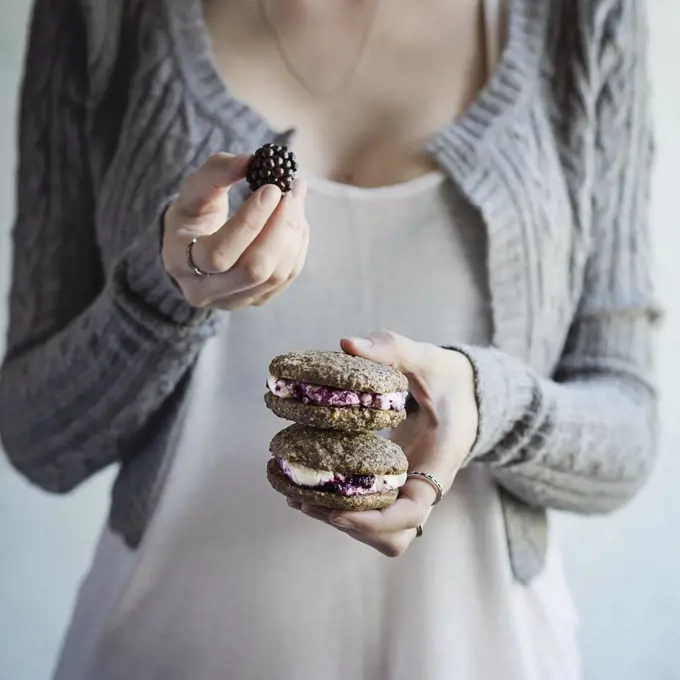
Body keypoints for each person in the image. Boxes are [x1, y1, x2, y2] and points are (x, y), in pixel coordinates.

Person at [0, 0, 660, 678]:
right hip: (165, 643)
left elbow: (628, 424)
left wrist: (488, 403)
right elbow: (39, 440)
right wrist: (160, 296)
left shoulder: (585, 16)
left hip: (479, 648)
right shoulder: (101, 15)